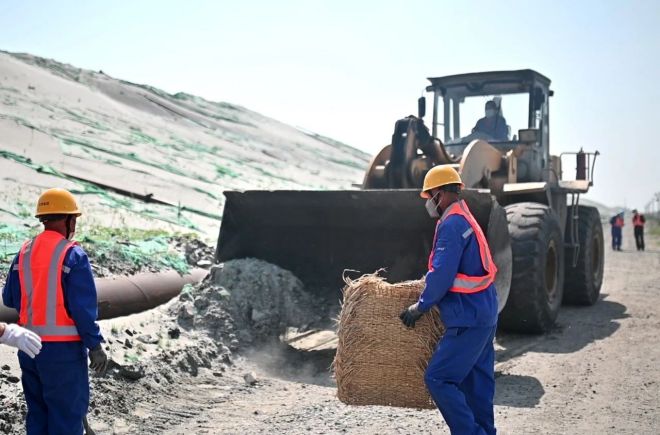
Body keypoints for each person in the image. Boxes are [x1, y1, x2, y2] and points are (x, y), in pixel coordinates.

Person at [400, 165, 498, 435]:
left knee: (438, 378)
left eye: (429, 195)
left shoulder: (452, 224)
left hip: (468, 316)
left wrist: (420, 306)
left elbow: (442, 273)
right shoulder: (465, 217)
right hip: (485, 312)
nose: (428, 202)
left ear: (440, 194)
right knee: (477, 384)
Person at [2, 188, 108, 435]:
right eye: (74, 219)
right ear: (68, 220)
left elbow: (9, 298)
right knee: (66, 418)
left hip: (29, 348)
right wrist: (95, 346)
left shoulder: (24, 253)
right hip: (63, 352)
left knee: (38, 415)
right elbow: (82, 310)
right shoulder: (72, 254)